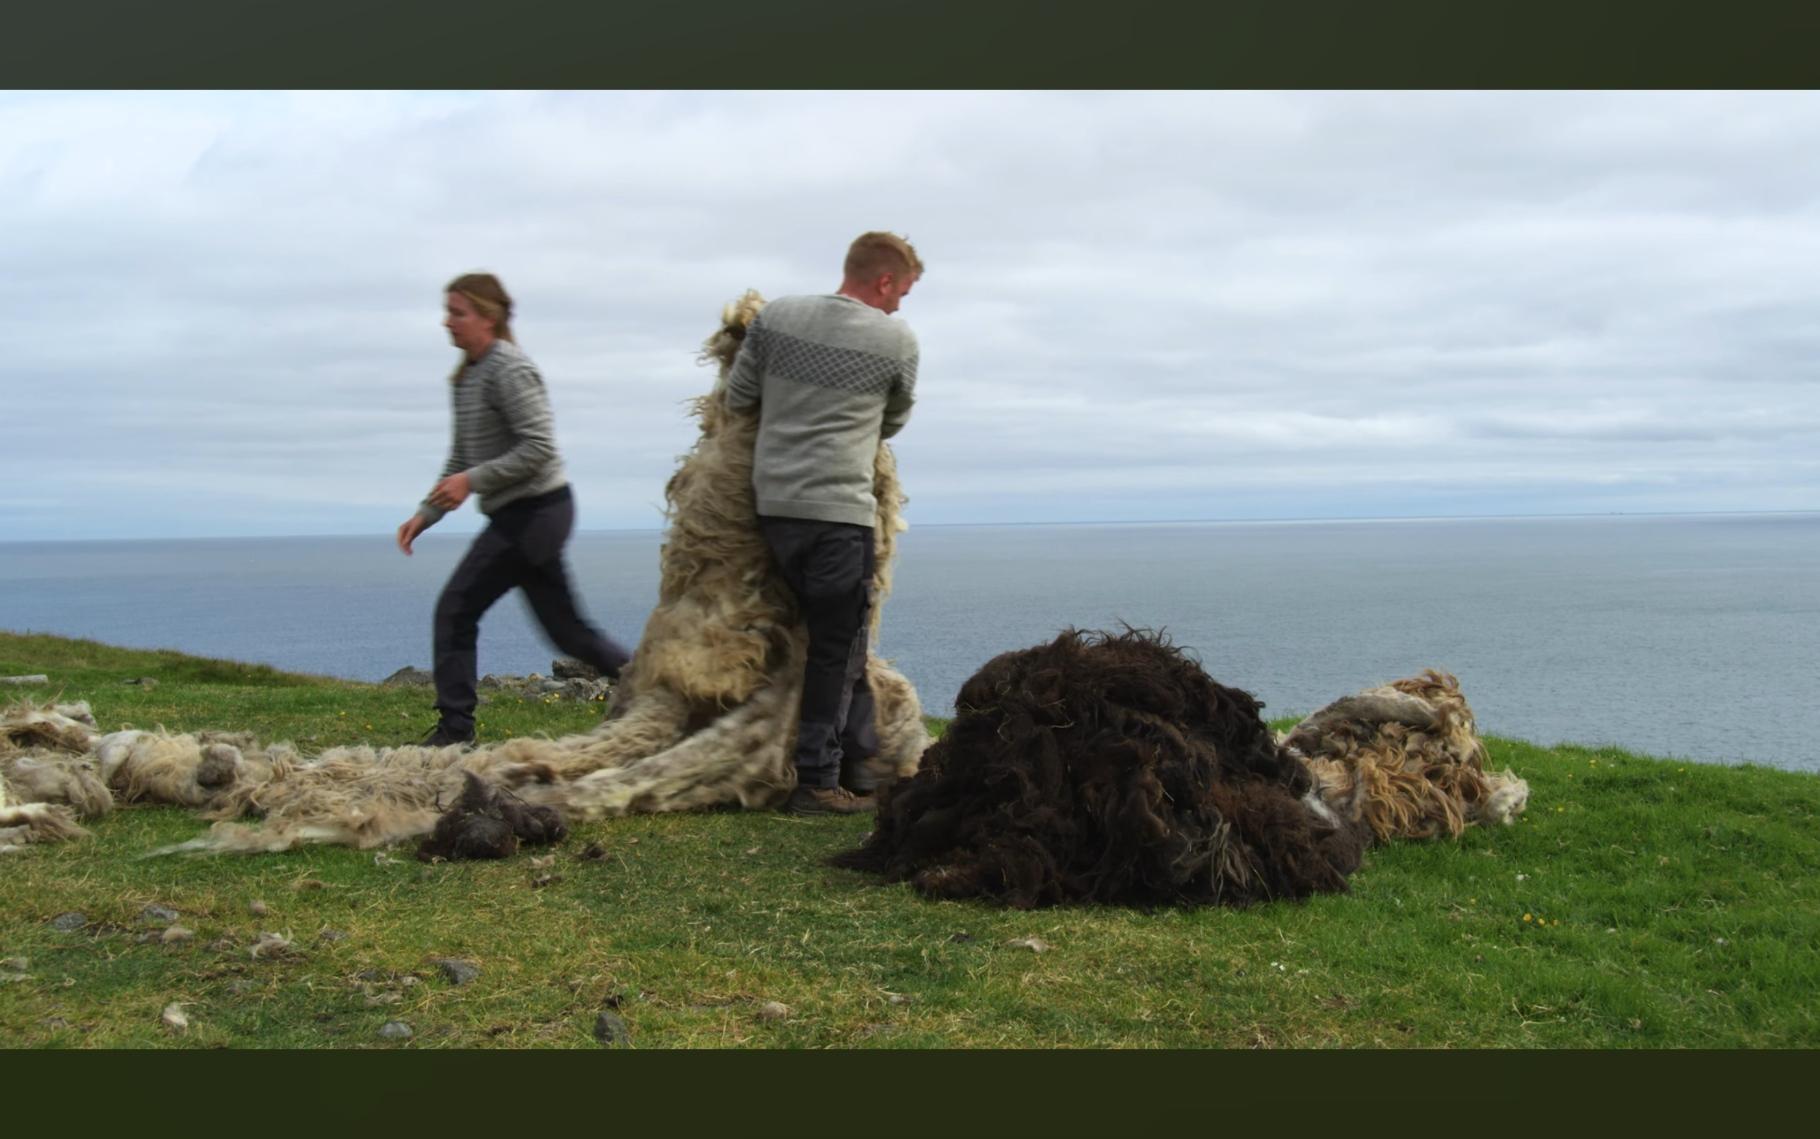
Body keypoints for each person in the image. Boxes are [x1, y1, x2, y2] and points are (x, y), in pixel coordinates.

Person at [724, 232, 923, 815]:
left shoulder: (777, 318)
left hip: (774, 509)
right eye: (902, 293)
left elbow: (741, 398)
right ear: (884, 281)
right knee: (835, 650)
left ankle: (861, 764)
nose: (899, 306)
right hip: (839, 514)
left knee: (838, 643)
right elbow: (892, 420)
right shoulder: (896, 339)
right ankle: (815, 782)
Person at [396, 272, 631, 747]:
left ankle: (455, 733)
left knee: (456, 609)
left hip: (538, 512)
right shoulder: (467, 376)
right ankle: (659, 691)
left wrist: (472, 482)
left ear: (489, 316)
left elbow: (539, 448)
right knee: (570, 634)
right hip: (519, 514)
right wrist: (427, 512)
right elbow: (461, 458)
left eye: (457, 313)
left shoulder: (511, 369)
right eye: (448, 312)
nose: (447, 322)